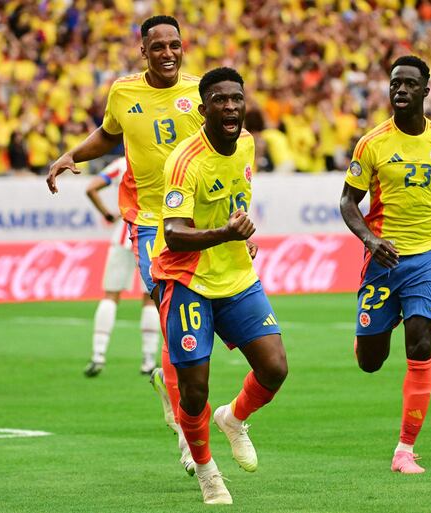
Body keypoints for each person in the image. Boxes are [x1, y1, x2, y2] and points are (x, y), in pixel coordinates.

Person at [45, 15, 203, 475]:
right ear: (143, 51)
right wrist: (72, 154)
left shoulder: (200, 92)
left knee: (204, 332)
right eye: (159, 47)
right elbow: (110, 135)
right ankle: (184, 433)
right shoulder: (123, 92)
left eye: (175, 45)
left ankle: (176, 392)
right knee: (176, 320)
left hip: (199, 219)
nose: (168, 53)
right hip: (151, 220)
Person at [339, 56, 431, 474]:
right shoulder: (372, 144)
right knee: (371, 361)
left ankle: (404, 449)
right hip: (382, 259)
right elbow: (348, 201)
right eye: (394, 84)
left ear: (425, 91)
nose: (400, 90)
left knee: (420, 345)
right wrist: (369, 238)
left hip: (424, 257)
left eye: (408, 84)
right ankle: (373, 331)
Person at [151, 67, 288, 505]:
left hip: (235, 275)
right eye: (220, 100)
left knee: (275, 368)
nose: (230, 107)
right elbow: (174, 233)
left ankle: (233, 418)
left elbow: (234, 203)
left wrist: (241, 234)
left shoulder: (247, 142)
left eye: (236, 98)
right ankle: (208, 470)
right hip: (186, 278)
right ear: (204, 106)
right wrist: (227, 234)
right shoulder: (185, 161)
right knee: (194, 391)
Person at [83, 157, 159, 377]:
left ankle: (98, 355)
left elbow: (91, 188)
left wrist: (107, 214)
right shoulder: (161, 156)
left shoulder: (122, 163)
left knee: (110, 296)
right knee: (150, 299)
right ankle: (148, 360)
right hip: (153, 238)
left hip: (123, 234)